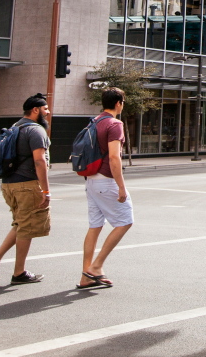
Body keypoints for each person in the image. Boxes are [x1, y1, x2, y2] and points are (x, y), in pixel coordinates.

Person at [0, 94, 51, 285]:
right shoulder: (36, 131)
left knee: (20, 224)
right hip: (27, 185)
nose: (48, 112)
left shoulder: (16, 127)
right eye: (45, 108)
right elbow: (39, 161)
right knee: (27, 229)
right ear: (35, 110)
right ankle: (19, 273)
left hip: (8, 184)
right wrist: (46, 191)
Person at [78, 87, 133, 289]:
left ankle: (85, 276)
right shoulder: (114, 124)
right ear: (118, 103)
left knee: (95, 226)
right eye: (123, 103)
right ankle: (96, 266)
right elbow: (113, 157)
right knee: (125, 220)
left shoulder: (95, 121)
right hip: (105, 179)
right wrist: (121, 187)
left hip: (91, 180)